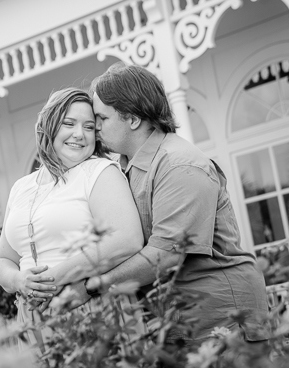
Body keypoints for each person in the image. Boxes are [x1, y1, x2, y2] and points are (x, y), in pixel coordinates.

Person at [75, 63, 270, 342]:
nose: (95, 129)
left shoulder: (179, 164)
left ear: (132, 119)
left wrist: (92, 287)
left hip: (223, 315)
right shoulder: (122, 168)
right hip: (176, 317)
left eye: (102, 119)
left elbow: (165, 255)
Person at [0, 88, 143, 342]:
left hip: (89, 307)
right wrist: (19, 280)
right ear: (49, 125)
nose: (79, 134)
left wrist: (51, 281)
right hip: (32, 318)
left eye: (88, 127)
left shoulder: (99, 171)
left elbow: (128, 239)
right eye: (69, 123)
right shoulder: (22, 187)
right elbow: (2, 261)